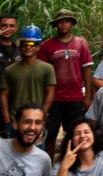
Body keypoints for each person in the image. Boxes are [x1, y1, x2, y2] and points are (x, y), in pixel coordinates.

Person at [38, 9, 92, 157]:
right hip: (54, 99)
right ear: (55, 24)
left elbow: (87, 70)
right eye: (60, 21)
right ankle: (48, 167)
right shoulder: (46, 46)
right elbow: (42, 73)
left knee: (73, 135)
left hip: (75, 98)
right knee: (50, 134)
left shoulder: (81, 43)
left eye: (67, 21)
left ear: (72, 23)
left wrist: (87, 95)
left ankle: (70, 165)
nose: (63, 24)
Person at [0, 25, 55, 133]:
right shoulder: (9, 70)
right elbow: (3, 95)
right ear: (19, 47)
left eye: (32, 44)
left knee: (36, 149)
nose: (28, 47)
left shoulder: (47, 69)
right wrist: (7, 120)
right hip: (15, 120)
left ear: (38, 47)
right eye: (24, 44)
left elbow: (50, 94)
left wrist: (41, 116)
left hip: (36, 121)